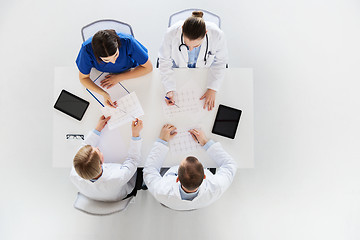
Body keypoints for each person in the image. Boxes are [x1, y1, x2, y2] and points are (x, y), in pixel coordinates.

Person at [143, 124, 237, 210]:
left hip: (171, 202)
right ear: (204, 176)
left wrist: (162, 141)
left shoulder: (161, 191)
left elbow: (149, 170)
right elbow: (230, 165)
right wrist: (205, 142)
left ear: (177, 179)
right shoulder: (217, 187)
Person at [158, 11, 228, 111]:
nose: (190, 49)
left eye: (196, 46)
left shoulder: (217, 34)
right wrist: (169, 89)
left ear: (205, 33)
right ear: (182, 29)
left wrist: (212, 88)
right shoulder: (171, 33)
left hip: (204, 75)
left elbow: (220, 62)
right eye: (187, 45)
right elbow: (164, 61)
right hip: (179, 74)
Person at [69, 115, 143, 202]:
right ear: (101, 164)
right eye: (98, 151)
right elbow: (133, 159)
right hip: (119, 194)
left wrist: (97, 129)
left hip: (96, 195)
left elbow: (84, 147)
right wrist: (135, 135)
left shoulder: (74, 174)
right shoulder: (117, 177)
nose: (96, 148)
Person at [76, 29, 153, 107]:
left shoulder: (128, 42)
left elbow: (148, 68)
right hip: (101, 75)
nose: (113, 61)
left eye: (116, 55)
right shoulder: (86, 50)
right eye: (106, 60)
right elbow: (83, 78)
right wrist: (104, 93)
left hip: (130, 72)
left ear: (118, 45)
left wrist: (119, 77)